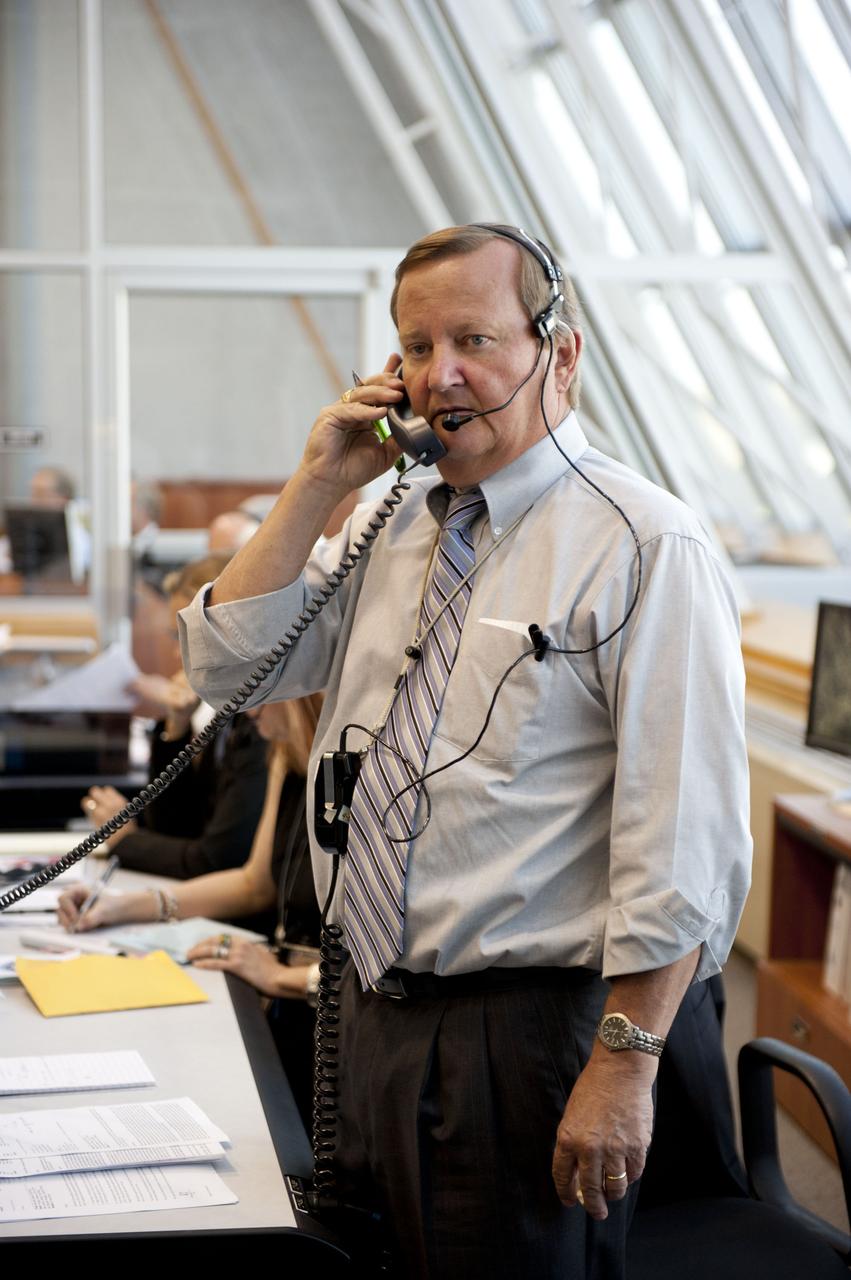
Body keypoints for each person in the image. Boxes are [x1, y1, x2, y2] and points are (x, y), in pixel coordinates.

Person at [178, 224, 752, 1278]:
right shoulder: (390, 525)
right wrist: (318, 479)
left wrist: (622, 1068)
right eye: (412, 346)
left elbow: (683, 838)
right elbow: (229, 667)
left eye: (473, 339)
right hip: (366, 1007)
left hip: (524, 1032)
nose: (439, 373)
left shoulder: (641, 543)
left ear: (559, 351)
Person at [61, 693, 322, 1121]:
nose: (250, 710)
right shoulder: (286, 755)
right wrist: (122, 907)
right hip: (288, 1004)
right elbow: (254, 883)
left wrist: (281, 976)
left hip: (318, 1008)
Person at [83, 553, 267, 879]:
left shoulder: (261, 725)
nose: (175, 653)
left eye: (183, 637)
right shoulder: (226, 717)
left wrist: (127, 840)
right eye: (174, 636)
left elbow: (215, 860)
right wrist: (176, 726)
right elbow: (176, 829)